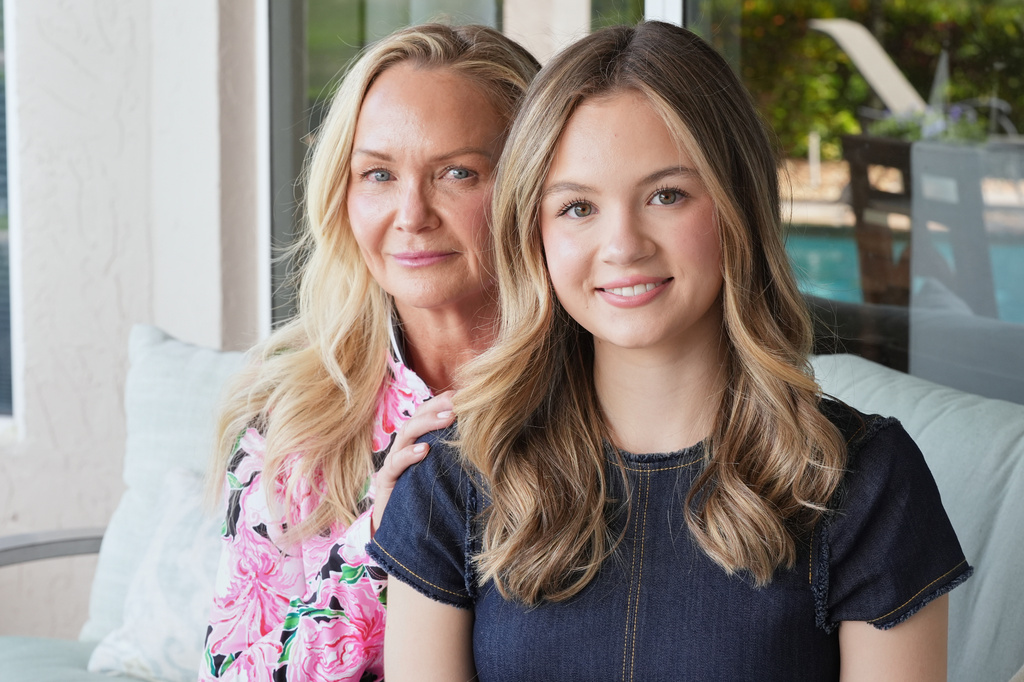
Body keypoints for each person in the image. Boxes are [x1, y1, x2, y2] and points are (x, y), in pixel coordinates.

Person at [369, 21, 972, 681]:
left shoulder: (862, 480)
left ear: (737, 205)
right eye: (576, 208)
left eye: (666, 195)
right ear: (532, 231)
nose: (623, 244)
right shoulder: (452, 478)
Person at [199, 23, 538, 682]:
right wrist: (381, 541)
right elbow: (239, 670)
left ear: (532, 180)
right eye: (378, 173)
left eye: (457, 172)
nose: (411, 213)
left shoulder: (604, 392)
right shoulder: (289, 417)